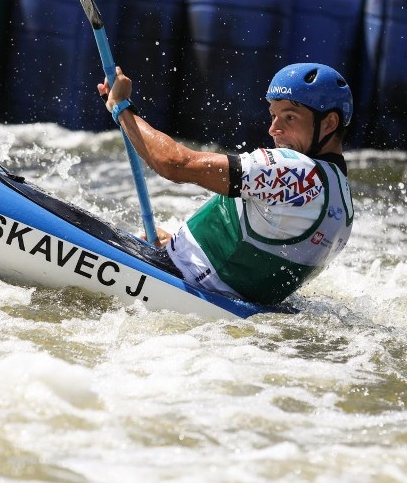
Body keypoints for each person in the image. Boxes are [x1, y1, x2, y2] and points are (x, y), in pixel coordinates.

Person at [98, 62, 354, 306]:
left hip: (180, 279)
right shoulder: (341, 199)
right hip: (215, 294)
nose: (273, 129)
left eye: (289, 117)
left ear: (329, 123)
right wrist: (179, 243)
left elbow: (174, 163)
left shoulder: (295, 171)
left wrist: (121, 107)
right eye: (273, 115)